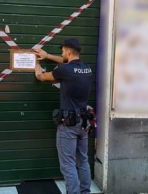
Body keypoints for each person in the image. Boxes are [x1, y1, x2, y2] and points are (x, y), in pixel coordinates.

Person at [34, 38, 93, 194]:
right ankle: (85, 192)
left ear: (68, 51)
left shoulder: (65, 71)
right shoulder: (86, 68)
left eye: (62, 51)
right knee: (83, 160)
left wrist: (37, 67)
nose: (61, 53)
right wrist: (47, 55)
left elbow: (43, 77)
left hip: (69, 125)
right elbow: (66, 63)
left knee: (68, 164)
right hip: (84, 123)